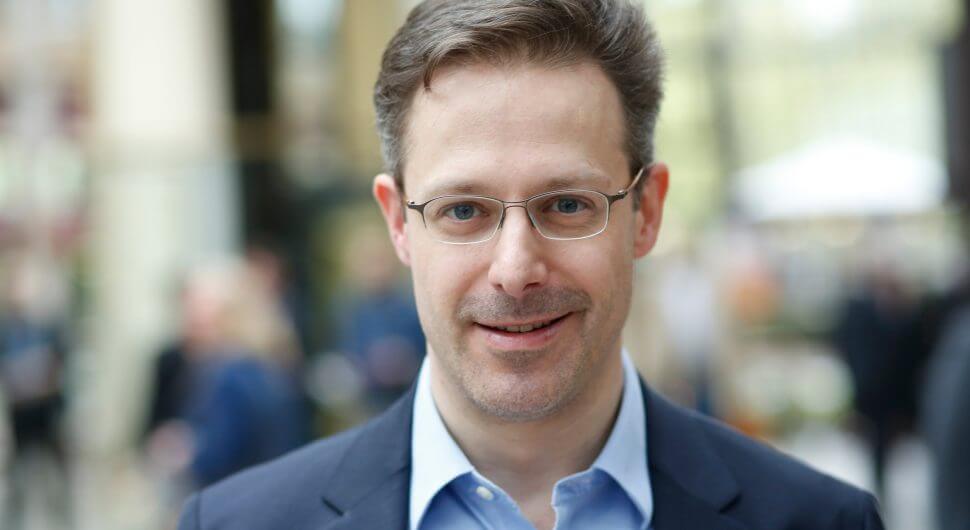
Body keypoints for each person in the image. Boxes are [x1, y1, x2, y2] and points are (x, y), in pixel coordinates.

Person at [179, 1, 885, 528]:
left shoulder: (818, 522)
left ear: (645, 212)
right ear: (398, 223)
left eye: (568, 205)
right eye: (463, 210)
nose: (515, 270)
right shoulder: (238, 525)